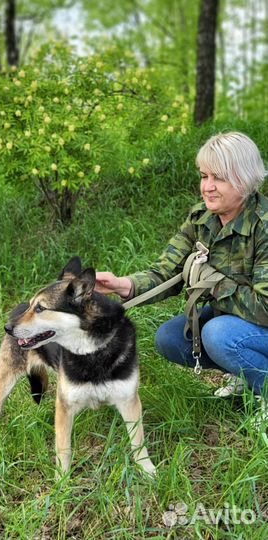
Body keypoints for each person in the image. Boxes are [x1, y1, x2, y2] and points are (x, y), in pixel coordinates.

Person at [95, 132, 268, 426]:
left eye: (219, 178)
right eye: (204, 176)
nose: (208, 187)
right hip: (234, 319)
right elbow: (167, 270)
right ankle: (246, 376)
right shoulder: (202, 217)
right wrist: (124, 284)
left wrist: (213, 282)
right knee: (171, 338)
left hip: (257, 325)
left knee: (217, 335)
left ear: (243, 179)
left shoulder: (263, 226)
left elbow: (264, 307)